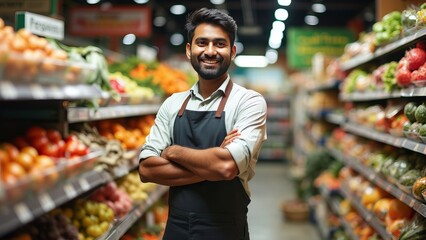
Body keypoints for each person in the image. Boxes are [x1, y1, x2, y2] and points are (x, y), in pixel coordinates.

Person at [139, 7, 267, 240]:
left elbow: (225, 167)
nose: (210, 51)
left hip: (225, 229)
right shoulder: (172, 103)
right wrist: (215, 160)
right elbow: (147, 169)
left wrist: (173, 151)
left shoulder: (248, 102)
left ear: (233, 51)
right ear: (189, 50)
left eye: (220, 44)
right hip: (176, 228)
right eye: (202, 43)